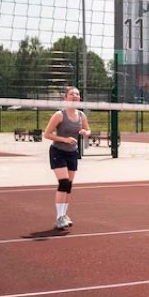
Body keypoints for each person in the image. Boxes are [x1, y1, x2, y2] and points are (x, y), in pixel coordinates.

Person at [42, 87, 91, 230]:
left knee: (68, 185)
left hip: (72, 153)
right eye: (72, 94)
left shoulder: (81, 115)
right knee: (63, 183)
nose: (75, 96)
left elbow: (88, 130)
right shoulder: (59, 115)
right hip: (58, 151)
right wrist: (64, 139)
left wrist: (84, 132)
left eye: (77, 94)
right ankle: (59, 217)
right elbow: (47, 134)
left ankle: (64, 215)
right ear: (65, 98)